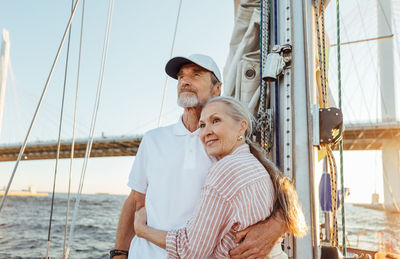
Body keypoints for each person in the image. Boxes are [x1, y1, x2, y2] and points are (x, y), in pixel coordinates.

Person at [112, 54, 292, 259]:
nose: (185, 81)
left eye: (196, 74)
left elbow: (278, 187)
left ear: (217, 89)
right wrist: (119, 253)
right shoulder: (153, 139)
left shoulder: (224, 145)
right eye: (180, 77)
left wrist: (277, 224)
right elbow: (136, 200)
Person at [133, 96, 307, 258]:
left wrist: (142, 230)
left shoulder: (225, 169)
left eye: (215, 121)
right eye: (202, 125)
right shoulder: (255, 165)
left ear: (242, 126)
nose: (206, 132)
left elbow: (191, 250)